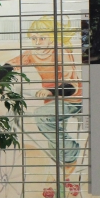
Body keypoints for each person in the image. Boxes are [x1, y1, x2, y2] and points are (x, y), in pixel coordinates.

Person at [8, 16, 83, 180]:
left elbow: (71, 85)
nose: (37, 42)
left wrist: (50, 91)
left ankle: (72, 153)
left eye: (42, 38)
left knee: (42, 117)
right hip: (52, 101)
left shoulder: (60, 51)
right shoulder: (33, 53)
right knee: (53, 138)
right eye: (34, 38)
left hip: (71, 99)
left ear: (52, 37)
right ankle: (63, 176)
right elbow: (13, 63)